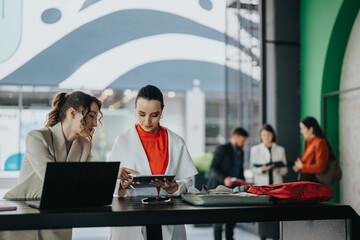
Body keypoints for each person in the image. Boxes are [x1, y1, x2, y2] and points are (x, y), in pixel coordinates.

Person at [1, 91, 103, 240]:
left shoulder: (85, 146)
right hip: (21, 214)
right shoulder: (37, 137)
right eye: (91, 116)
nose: (94, 124)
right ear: (72, 113)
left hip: (58, 216)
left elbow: (84, 187)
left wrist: (112, 177)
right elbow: (54, 180)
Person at [109, 85, 198, 240]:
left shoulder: (176, 142)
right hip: (132, 220)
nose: (147, 121)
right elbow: (109, 184)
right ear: (135, 108)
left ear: (162, 111)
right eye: (141, 114)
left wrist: (175, 187)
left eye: (154, 115)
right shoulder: (122, 141)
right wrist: (121, 185)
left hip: (168, 218)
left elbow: (189, 182)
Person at [207, 127, 248, 240]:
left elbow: (240, 170)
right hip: (218, 189)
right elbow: (213, 168)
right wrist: (224, 178)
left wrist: (244, 184)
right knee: (218, 221)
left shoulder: (241, 152)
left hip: (233, 190)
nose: (244, 143)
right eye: (242, 140)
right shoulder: (222, 149)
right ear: (235, 137)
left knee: (231, 218)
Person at [249, 124, 287, 240]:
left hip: (276, 186)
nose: (266, 137)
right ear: (261, 136)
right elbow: (252, 168)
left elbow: (285, 170)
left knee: (276, 212)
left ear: (273, 135)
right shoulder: (255, 150)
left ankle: (276, 235)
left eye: (268, 135)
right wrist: (262, 169)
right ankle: (263, 236)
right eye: (264, 135)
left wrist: (278, 169)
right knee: (262, 212)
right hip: (262, 185)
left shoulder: (280, 149)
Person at [292, 117, 333, 182]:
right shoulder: (308, 142)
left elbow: (320, 167)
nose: (301, 131)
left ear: (310, 129)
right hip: (307, 182)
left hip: (314, 184)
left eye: (303, 128)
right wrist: (299, 166)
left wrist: (302, 166)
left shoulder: (320, 142)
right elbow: (309, 163)